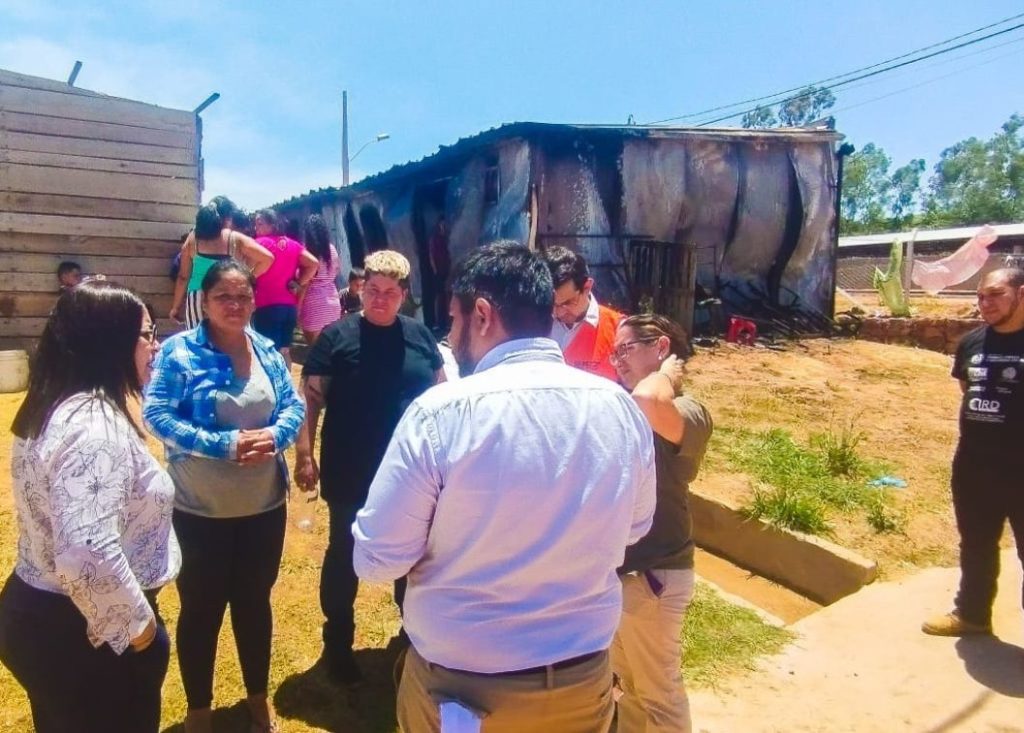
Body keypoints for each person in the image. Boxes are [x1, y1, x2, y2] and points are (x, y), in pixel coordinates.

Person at [352, 241, 657, 732]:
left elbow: (377, 559)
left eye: (452, 322)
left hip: (464, 693)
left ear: (482, 315)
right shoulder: (620, 407)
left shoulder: (440, 414)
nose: (450, 338)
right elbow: (635, 527)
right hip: (583, 687)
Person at [0, 280, 180, 733]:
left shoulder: (52, 404)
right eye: (145, 333)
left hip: (45, 614)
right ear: (110, 342)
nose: (155, 346)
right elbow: (86, 553)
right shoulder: (95, 428)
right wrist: (141, 633)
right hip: (87, 633)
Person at [143, 260, 305, 733]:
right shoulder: (179, 353)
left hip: (263, 508)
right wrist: (224, 445)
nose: (235, 306)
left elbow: (293, 403)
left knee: (255, 603)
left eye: (243, 297)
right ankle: (199, 710)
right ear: (205, 302)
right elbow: (157, 415)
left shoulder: (267, 350)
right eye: (223, 298)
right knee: (201, 609)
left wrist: (276, 435)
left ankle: (258, 699)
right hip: (200, 510)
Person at [295, 249, 444, 685]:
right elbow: (310, 399)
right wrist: (305, 454)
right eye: (372, 290)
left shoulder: (420, 338)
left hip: (412, 472)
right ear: (360, 288)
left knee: (414, 554)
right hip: (350, 467)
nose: (380, 299)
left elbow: (441, 396)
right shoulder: (336, 338)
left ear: (403, 295)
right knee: (345, 552)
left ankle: (410, 638)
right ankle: (337, 643)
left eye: (390, 293)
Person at [609, 314, 713, 733]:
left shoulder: (688, 411)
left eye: (627, 348)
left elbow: (651, 401)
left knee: (659, 694)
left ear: (662, 347)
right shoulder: (629, 405)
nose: (617, 360)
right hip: (622, 574)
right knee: (627, 688)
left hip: (653, 574)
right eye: (613, 352)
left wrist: (667, 375)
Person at [922, 267, 1024, 637]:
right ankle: (972, 615)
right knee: (977, 544)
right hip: (974, 467)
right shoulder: (971, 343)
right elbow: (969, 390)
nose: (986, 303)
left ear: (1021, 294)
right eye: (981, 296)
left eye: (995, 294)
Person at [170, 199, 274, 329]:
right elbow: (267, 258)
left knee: (197, 344)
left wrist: (175, 307)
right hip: (229, 295)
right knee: (232, 341)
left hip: (197, 297)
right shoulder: (234, 238)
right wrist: (247, 278)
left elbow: (183, 277)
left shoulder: (193, 238)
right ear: (227, 218)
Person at [542, 245, 623, 381]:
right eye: (552, 304)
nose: (558, 313)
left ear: (587, 287)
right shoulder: (530, 325)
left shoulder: (618, 330)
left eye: (568, 303)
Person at [252, 208, 319, 365]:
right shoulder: (293, 245)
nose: (256, 228)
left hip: (267, 307)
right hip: (289, 308)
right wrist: (299, 283)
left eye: (259, 223)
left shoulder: (259, 245)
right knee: (284, 352)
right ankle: (286, 387)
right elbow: (314, 263)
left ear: (272, 224)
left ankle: (272, 388)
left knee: (267, 354)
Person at [298, 214, 342, 346]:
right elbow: (337, 270)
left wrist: (297, 308)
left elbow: (305, 284)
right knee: (332, 349)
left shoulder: (307, 251)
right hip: (333, 303)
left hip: (313, 305)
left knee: (316, 352)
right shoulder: (332, 249)